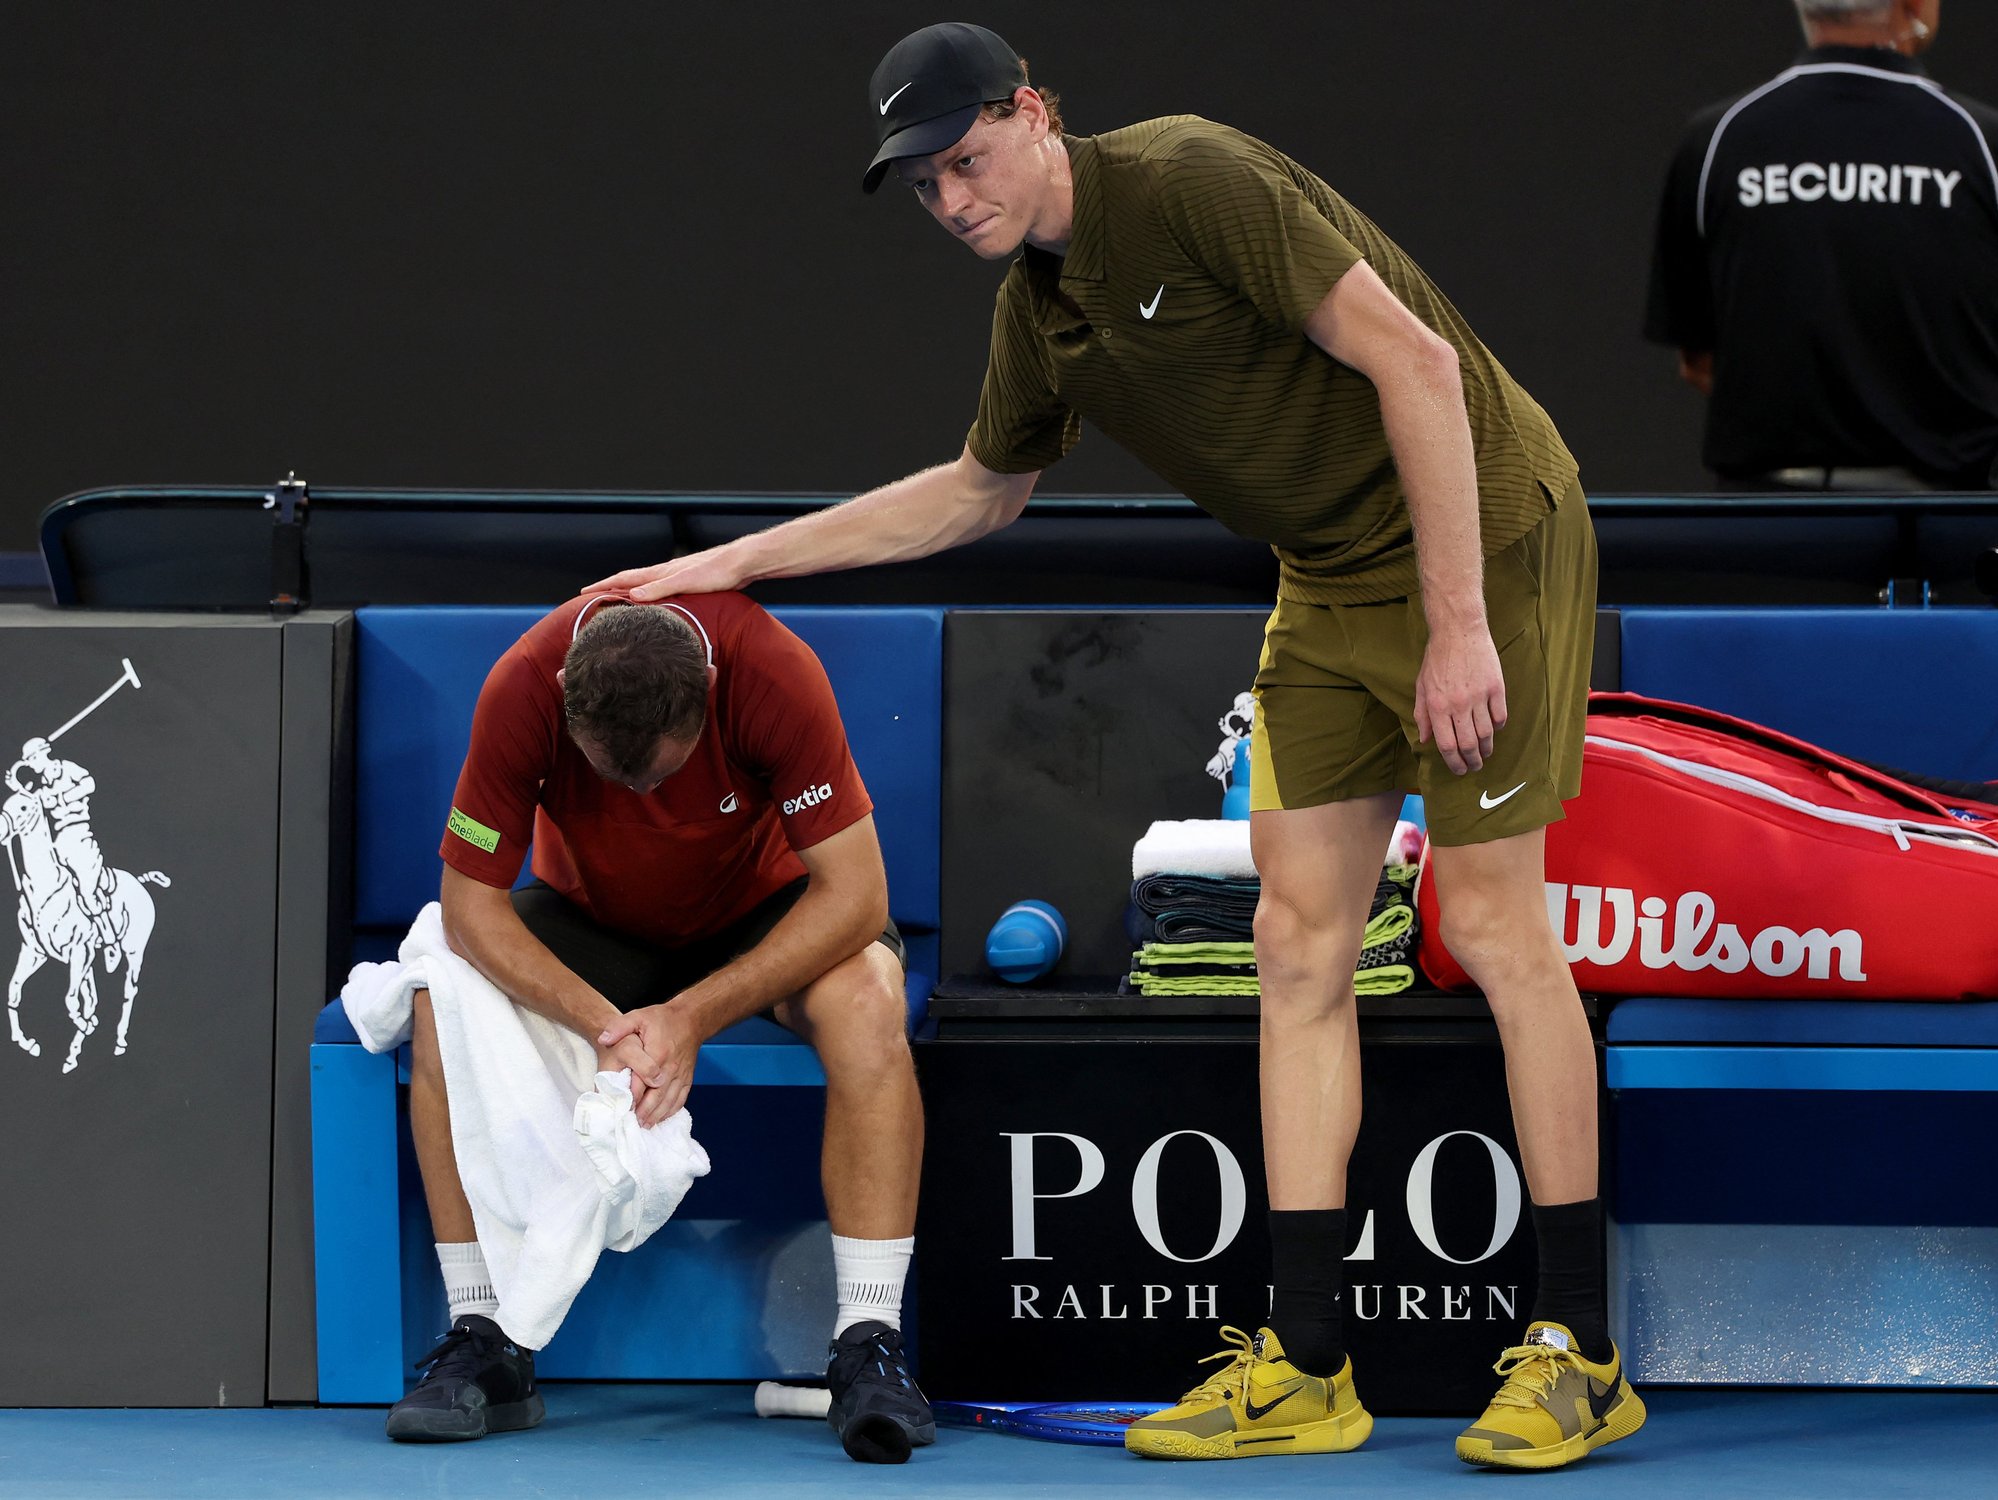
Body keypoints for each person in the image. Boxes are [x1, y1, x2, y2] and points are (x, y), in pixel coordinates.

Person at [594, 21, 1640, 1472]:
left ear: (1034, 115)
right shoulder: (1042, 317)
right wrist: (729, 567)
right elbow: (977, 492)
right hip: (1331, 574)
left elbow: (1417, 367)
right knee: (1292, 942)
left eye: (968, 159)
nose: (954, 199)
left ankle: (1577, 1349)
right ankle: (1310, 1363)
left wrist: (1459, 623)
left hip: (1492, 531)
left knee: (1493, 922)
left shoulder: (1193, 178)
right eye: (926, 184)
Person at [385, 591, 934, 1465]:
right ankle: (484, 1338)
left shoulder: (771, 670)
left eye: (661, 776)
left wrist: (691, 1015)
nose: (640, 793)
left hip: (765, 914)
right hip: (596, 925)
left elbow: (858, 895)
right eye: (616, 777)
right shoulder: (523, 684)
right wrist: (608, 1025)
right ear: (567, 691)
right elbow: (470, 906)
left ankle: (870, 1343)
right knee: (438, 999)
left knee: (868, 995)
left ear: (709, 689)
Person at [1645, 0, 1998, 491]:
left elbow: (1699, 363)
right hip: (1949, 533)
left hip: (1764, 537)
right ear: (1916, 4)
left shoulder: (1715, 141)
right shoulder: (1983, 143)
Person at [18, 738, 115, 959]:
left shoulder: (66, 768)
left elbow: (89, 783)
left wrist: (61, 798)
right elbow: (32, 805)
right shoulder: (41, 786)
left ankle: (109, 939)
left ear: (43, 754)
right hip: (58, 840)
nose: (31, 764)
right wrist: (18, 788)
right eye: (28, 761)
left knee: (86, 889)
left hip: (80, 834)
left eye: (32, 759)